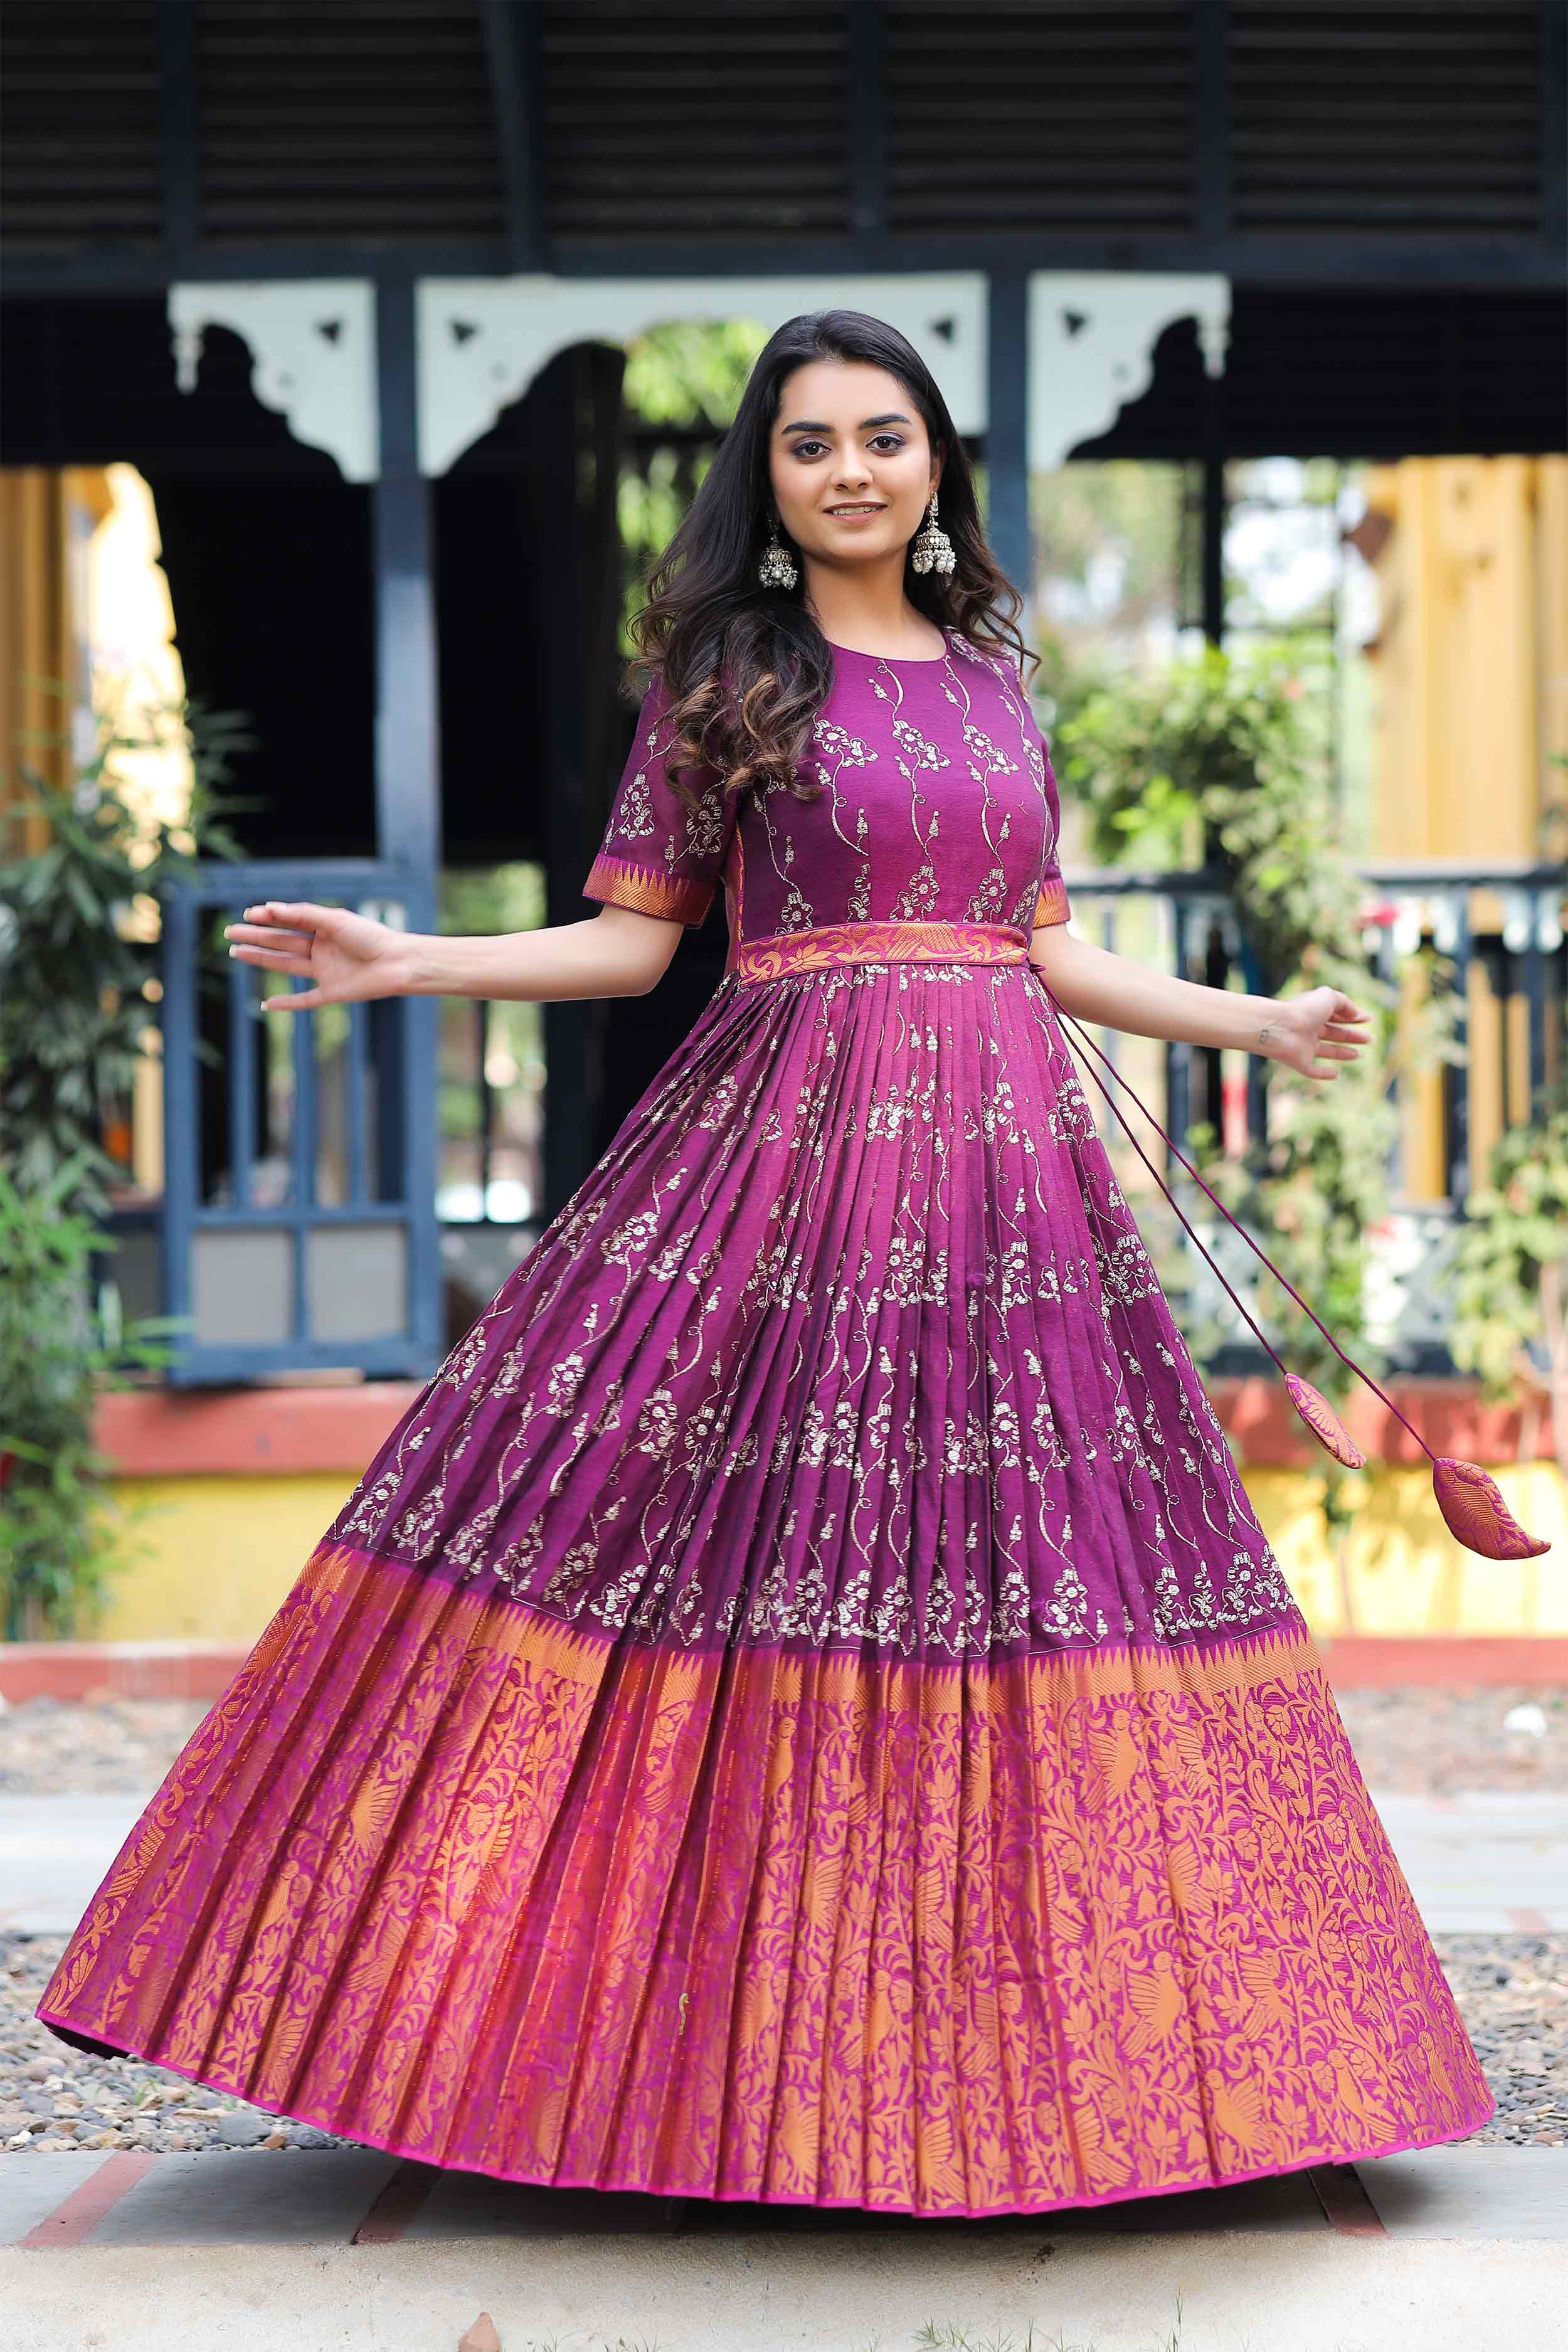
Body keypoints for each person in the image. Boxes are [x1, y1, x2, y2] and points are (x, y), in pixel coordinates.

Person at [37, 310, 1493, 2217]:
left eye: (885, 438)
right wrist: (413, 964)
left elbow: (1042, 949)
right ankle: (673, 2069)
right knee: (703, 1549)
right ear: (770, 478)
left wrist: (1254, 1022)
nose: (853, 471)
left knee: (1037, 1571)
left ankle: (1108, 2082)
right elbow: (632, 943)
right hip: (788, 1180)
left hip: (1011, 1206)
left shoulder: (993, 669)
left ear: (936, 464)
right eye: (810, 445)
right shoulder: (726, 673)